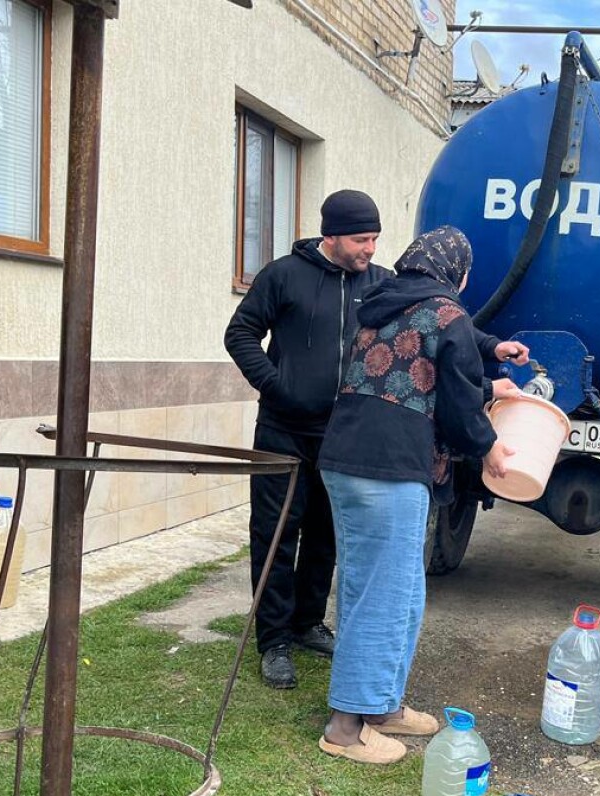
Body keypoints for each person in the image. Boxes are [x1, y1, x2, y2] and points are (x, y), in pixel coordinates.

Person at [225, 191, 526, 690]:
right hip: (282, 429)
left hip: (344, 431)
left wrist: (492, 346)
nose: (370, 249)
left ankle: (307, 622)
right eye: (361, 240)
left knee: (327, 533)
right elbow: (240, 334)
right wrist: (277, 386)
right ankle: (273, 640)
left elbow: (437, 316)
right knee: (276, 534)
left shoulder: (382, 284)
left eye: (375, 239)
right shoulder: (283, 276)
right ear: (331, 236)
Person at [316, 226, 518, 764]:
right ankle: (345, 727)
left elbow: (427, 371)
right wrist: (490, 448)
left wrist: (487, 369)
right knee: (383, 593)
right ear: (458, 273)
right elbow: (457, 402)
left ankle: (381, 705)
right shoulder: (447, 314)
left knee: (398, 588)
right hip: (390, 467)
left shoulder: (380, 303)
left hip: (349, 457)